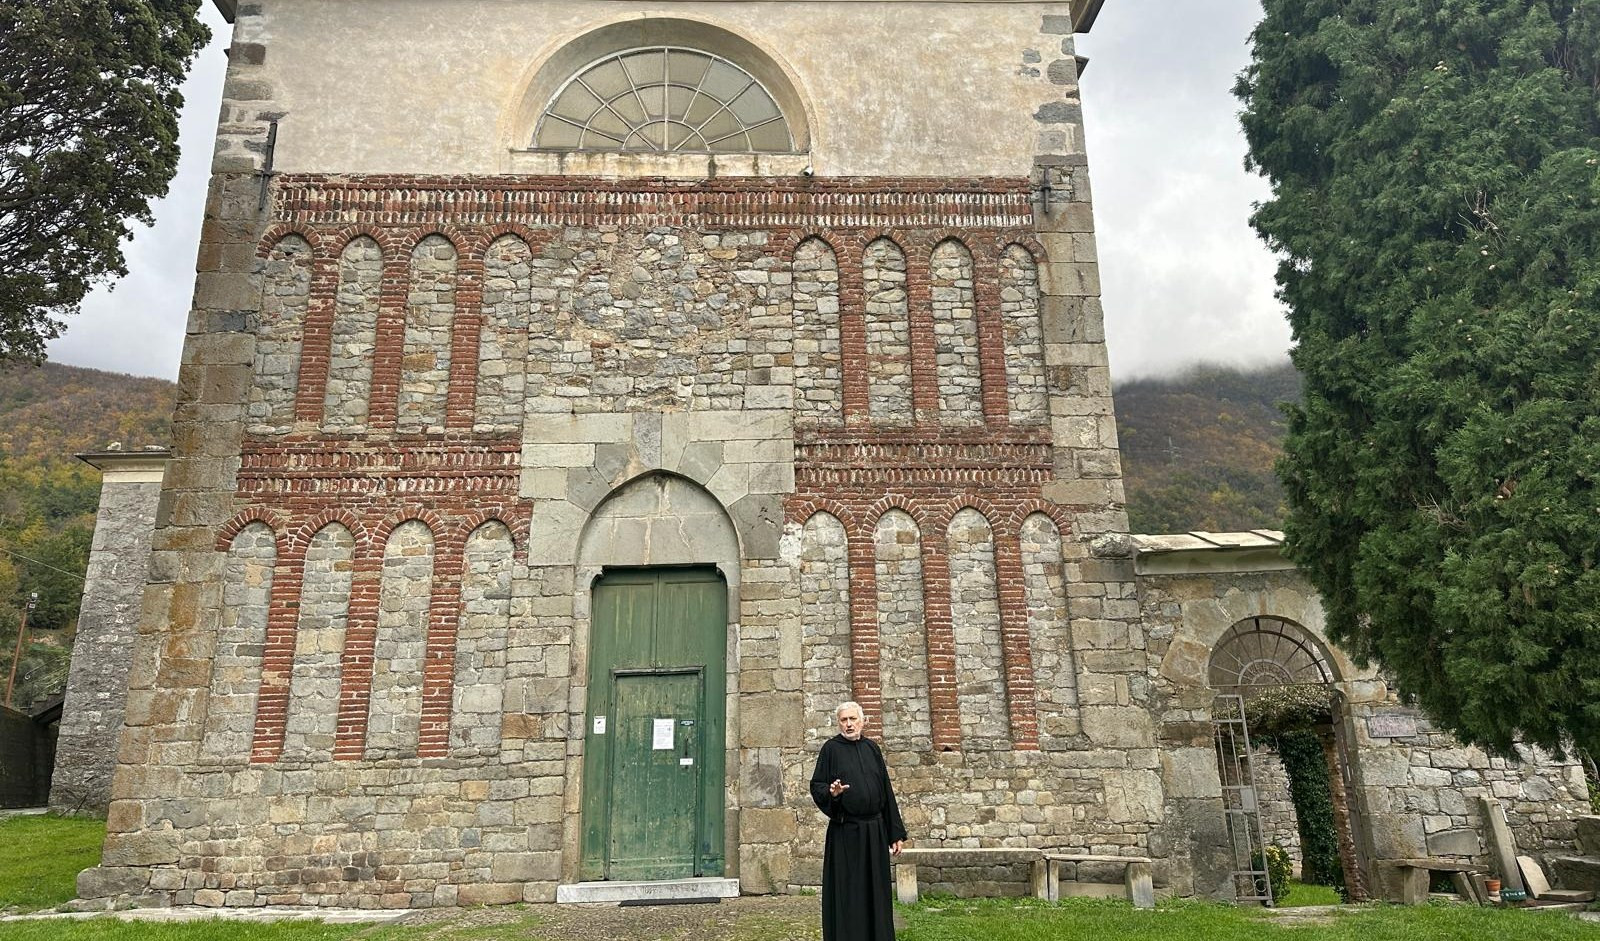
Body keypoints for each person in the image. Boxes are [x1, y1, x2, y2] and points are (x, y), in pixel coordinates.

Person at [809, 700, 907, 941]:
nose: (849, 724)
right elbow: (817, 786)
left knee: (876, 892)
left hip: (875, 832)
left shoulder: (872, 748)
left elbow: (886, 789)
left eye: (853, 719)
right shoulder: (831, 749)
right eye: (844, 720)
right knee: (849, 892)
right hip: (846, 833)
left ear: (863, 721)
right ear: (838, 723)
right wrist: (832, 793)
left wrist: (895, 832)